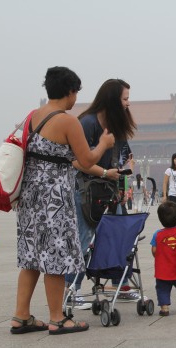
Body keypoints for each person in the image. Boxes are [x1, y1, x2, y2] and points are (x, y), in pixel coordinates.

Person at [11, 66, 115, 335]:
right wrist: (104, 144)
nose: (76, 98)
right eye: (76, 92)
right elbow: (86, 159)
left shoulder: (31, 117)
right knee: (54, 256)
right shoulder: (68, 121)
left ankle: (21, 316)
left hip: (30, 197)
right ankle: (57, 318)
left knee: (32, 258)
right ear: (70, 92)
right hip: (53, 198)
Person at [64, 78, 137, 308]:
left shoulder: (117, 125)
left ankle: (120, 284)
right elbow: (76, 161)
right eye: (125, 99)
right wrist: (106, 172)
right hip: (85, 191)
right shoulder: (87, 123)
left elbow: (126, 155)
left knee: (119, 235)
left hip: (110, 189)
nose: (128, 103)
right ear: (112, 100)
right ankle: (71, 290)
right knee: (83, 240)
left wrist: (125, 170)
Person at [151, 201, 176, 316]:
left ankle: (164, 308)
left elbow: (154, 250)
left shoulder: (157, 234)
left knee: (162, 288)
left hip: (163, 269)